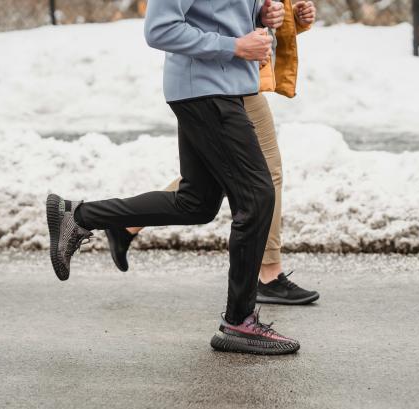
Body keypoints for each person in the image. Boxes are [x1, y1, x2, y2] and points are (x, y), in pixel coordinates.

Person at [47, 0, 300, 355]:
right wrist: (235, 46)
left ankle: (79, 216)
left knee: (195, 203)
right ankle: (239, 322)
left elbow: (218, 12)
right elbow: (160, 29)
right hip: (206, 90)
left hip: (223, 88)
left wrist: (260, 15)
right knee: (257, 197)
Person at [107, 0, 319, 306]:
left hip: (235, 77)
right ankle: (267, 276)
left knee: (214, 179)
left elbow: (233, 14)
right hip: (213, 82)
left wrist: (282, 17)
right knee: (261, 176)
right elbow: (164, 28)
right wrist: (236, 45)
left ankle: (121, 223)